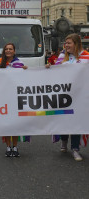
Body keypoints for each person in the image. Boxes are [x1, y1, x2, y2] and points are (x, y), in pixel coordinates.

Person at [47, 33, 89, 161]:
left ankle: (75, 149)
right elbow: (56, 72)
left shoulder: (86, 57)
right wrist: (49, 68)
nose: (66, 46)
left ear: (76, 44)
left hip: (80, 96)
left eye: (69, 43)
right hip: (64, 95)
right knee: (64, 119)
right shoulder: (62, 57)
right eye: (65, 43)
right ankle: (64, 141)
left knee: (77, 121)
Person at [0, 43, 27, 157]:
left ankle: (15, 147)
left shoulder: (19, 63)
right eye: (6, 49)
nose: (8, 51)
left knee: (15, 123)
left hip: (15, 97)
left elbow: (24, 79)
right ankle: (8, 147)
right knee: (6, 123)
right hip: (3, 97)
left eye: (10, 49)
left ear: (14, 51)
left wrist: (26, 70)